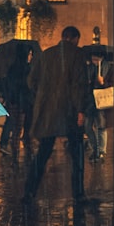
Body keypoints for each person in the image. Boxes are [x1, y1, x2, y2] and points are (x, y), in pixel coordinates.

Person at [23, 26, 91, 203]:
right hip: (69, 110)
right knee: (76, 154)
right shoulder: (77, 55)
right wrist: (80, 110)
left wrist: (43, 96)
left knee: (43, 152)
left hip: (48, 111)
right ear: (75, 38)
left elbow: (31, 81)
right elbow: (78, 85)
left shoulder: (46, 55)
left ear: (62, 37)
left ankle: (29, 191)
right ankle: (78, 193)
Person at [84, 46, 114, 162]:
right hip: (90, 101)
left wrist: (103, 82)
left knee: (101, 126)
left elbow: (113, 84)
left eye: (96, 58)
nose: (94, 60)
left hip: (101, 101)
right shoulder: (89, 68)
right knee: (88, 126)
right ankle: (94, 148)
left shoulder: (109, 67)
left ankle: (101, 151)